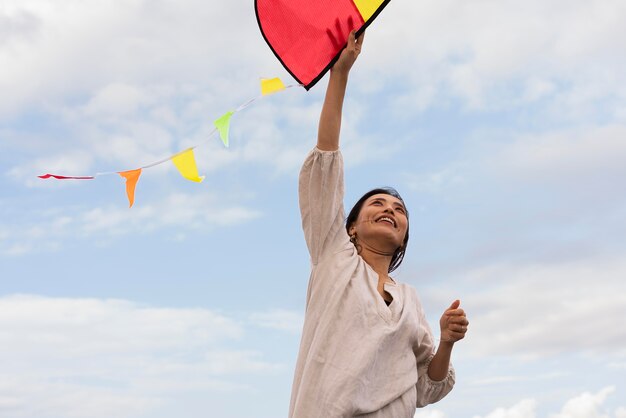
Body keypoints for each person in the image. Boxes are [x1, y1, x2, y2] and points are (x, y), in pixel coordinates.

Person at [289, 29, 469, 418]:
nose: (390, 209)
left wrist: (447, 340)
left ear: (403, 238)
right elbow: (327, 161)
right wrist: (340, 75)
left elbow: (427, 386)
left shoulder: (410, 300)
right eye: (378, 203)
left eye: (400, 209)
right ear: (350, 227)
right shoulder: (334, 257)